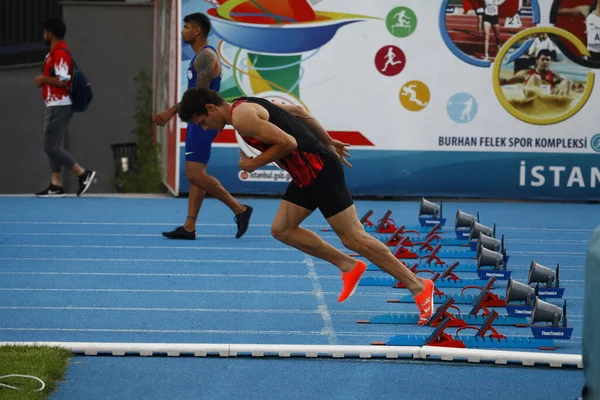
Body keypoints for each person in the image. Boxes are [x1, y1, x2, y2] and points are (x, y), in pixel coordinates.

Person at [176, 87, 435, 325]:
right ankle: (349, 266)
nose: (207, 128)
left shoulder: (242, 118)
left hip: (319, 170)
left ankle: (419, 286)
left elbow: (289, 143)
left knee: (354, 238)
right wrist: (328, 140)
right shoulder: (245, 104)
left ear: (210, 108)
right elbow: (299, 112)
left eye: (202, 123)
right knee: (282, 229)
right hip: (306, 174)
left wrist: (253, 164)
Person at [155, 13, 252, 240]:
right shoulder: (201, 56)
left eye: (186, 27)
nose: (182, 31)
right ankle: (189, 227)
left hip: (203, 123)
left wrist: (171, 110)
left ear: (197, 31)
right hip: (199, 121)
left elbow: (198, 98)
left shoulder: (205, 58)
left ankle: (239, 208)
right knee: (197, 175)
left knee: (195, 174)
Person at [34, 18, 96, 198]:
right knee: (53, 145)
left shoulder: (60, 52)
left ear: (50, 33)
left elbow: (63, 80)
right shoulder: (55, 52)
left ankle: (82, 174)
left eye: (45, 32)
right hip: (54, 103)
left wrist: (43, 80)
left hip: (60, 104)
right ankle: (56, 184)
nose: (43, 35)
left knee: (50, 147)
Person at [500, 49, 573, 96]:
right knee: (536, 77)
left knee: (568, 82)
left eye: (548, 60)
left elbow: (572, 87)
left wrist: (576, 86)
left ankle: (560, 109)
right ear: (537, 61)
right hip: (531, 101)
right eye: (543, 59)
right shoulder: (526, 73)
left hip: (547, 101)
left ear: (550, 62)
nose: (545, 62)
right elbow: (507, 81)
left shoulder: (555, 76)